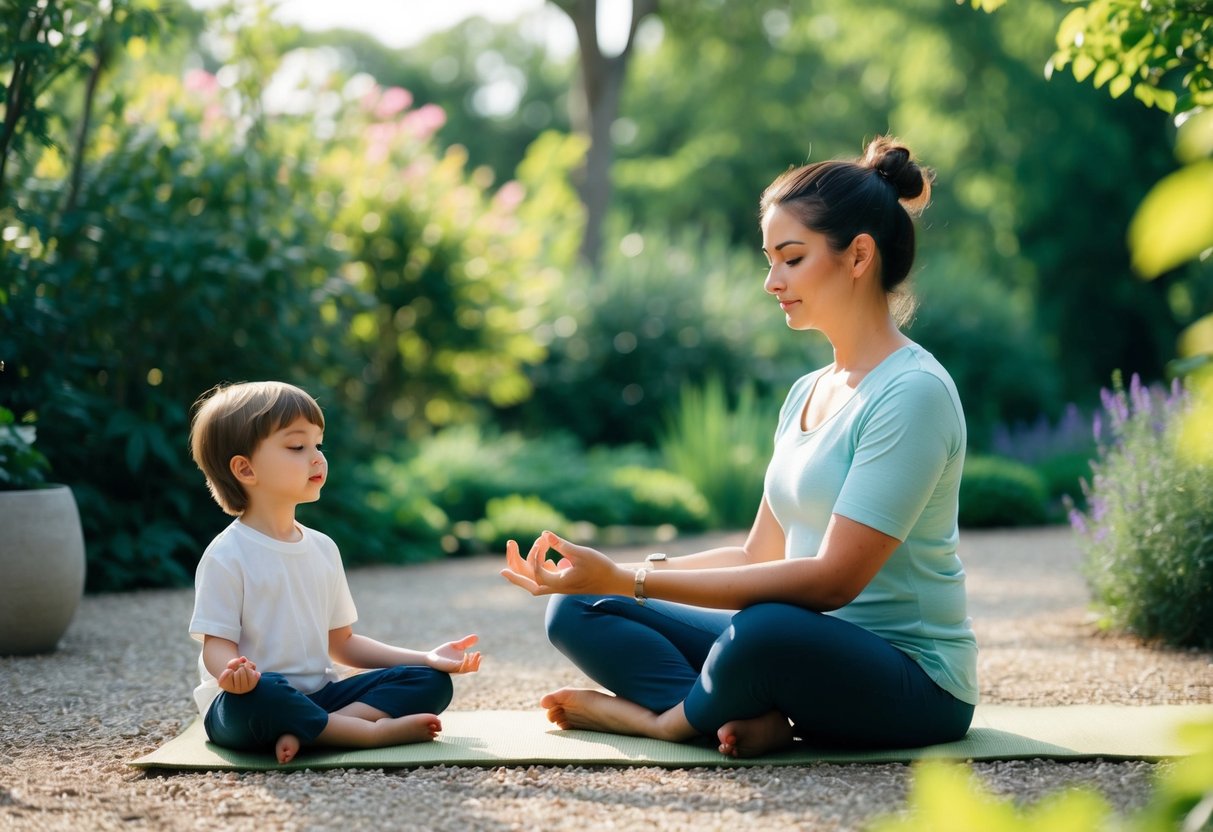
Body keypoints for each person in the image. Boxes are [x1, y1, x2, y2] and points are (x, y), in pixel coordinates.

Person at [501, 136, 977, 758]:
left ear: (859, 256)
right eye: (769, 259)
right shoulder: (808, 391)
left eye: (791, 258)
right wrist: (611, 576)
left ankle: (669, 722)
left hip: (914, 684)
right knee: (581, 606)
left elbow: (833, 583)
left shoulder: (913, 393)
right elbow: (758, 555)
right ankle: (742, 713)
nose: (771, 281)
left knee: (766, 629)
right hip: (800, 649)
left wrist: (633, 577)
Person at [188, 381, 481, 764]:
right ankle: (363, 733)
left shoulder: (323, 548)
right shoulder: (227, 554)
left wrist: (426, 658)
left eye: (318, 445)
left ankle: (315, 729)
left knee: (428, 682)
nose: (317, 458)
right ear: (245, 468)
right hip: (248, 702)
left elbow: (342, 644)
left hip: (319, 696)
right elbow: (216, 645)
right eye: (297, 447)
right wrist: (232, 674)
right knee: (268, 694)